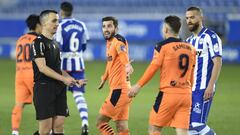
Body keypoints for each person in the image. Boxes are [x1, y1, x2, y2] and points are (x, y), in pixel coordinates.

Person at [128, 15, 196, 135]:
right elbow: (191, 74)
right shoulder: (191, 48)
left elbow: (153, 68)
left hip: (168, 94)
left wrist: (138, 86)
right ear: (179, 30)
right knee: (182, 132)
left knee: (154, 129)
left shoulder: (162, 46)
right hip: (186, 95)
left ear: (165, 29)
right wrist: (189, 91)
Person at [30, 10, 86, 135]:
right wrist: (63, 79)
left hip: (59, 89)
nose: (58, 23)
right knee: (45, 130)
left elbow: (58, 68)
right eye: (54, 20)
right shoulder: (37, 43)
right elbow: (42, 68)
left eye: (58, 20)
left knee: (59, 127)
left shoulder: (55, 44)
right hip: (44, 88)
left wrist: (72, 79)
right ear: (44, 23)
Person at [185, 6, 222, 135]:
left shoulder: (210, 37)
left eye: (192, 17)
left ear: (201, 18)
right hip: (190, 89)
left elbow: (217, 61)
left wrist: (211, 85)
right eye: (187, 18)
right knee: (189, 127)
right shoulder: (188, 41)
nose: (189, 20)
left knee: (197, 123)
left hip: (203, 88)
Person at [55, 2, 90, 134]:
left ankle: (57, 128)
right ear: (71, 11)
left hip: (63, 64)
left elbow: (58, 46)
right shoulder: (82, 25)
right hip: (78, 64)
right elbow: (84, 44)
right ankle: (85, 122)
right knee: (78, 94)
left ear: (62, 11)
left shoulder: (60, 25)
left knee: (60, 96)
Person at [96, 16, 134, 135]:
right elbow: (110, 63)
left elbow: (122, 54)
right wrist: (104, 78)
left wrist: (127, 65)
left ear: (116, 28)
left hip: (119, 91)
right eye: (104, 26)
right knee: (121, 127)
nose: (106, 29)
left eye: (109, 26)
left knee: (100, 122)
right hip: (125, 90)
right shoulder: (109, 43)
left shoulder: (118, 40)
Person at [11, 14, 41, 135]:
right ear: (38, 25)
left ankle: (14, 131)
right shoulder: (38, 40)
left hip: (19, 74)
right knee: (42, 103)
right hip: (32, 74)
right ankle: (45, 131)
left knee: (19, 104)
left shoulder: (20, 39)